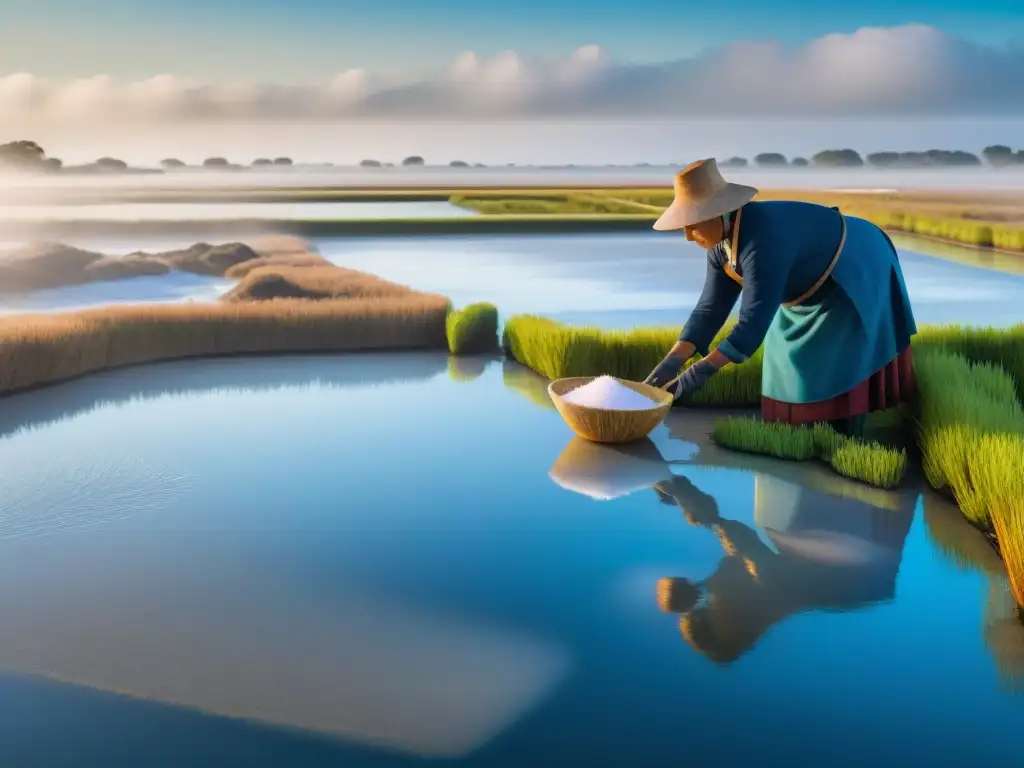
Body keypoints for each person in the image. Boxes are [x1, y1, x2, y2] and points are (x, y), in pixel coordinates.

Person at [643, 158, 918, 437]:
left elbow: (751, 327)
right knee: (785, 357)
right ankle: (801, 434)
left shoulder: (764, 241)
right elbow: (710, 309)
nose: (689, 236)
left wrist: (697, 374)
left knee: (840, 357)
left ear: (719, 212)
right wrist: (672, 361)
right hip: (808, 281)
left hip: (854, 266)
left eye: (693, 224)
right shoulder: (720, 243)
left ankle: (843, 436)